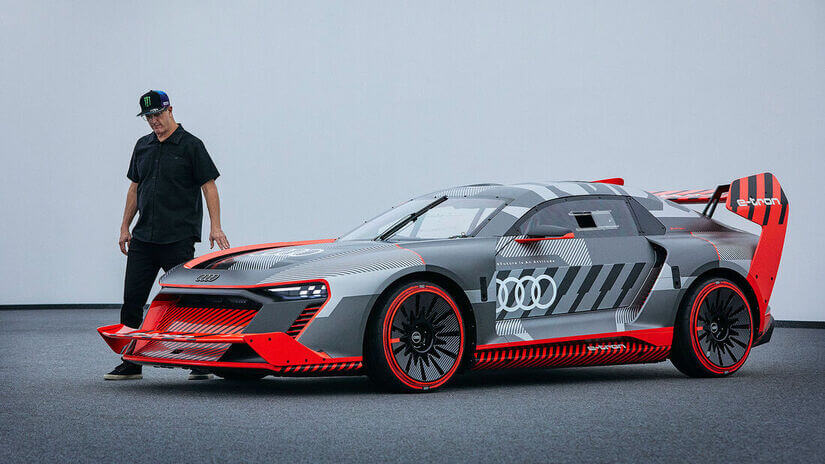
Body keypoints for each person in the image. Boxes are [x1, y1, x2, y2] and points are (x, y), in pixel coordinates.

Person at [104, 90, 230, 381]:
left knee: (187, 301)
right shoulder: (143, 146)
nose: (154, 121)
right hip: (144, 238)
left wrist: (216, 226)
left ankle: (198, 361)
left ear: (170, 110)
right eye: (148, 117)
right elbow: (135, 188)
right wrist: (124, 226)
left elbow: (209, 186)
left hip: (178, 238)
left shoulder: (191, 145)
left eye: (158, 114)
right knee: (132, 301)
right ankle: (131, 362)